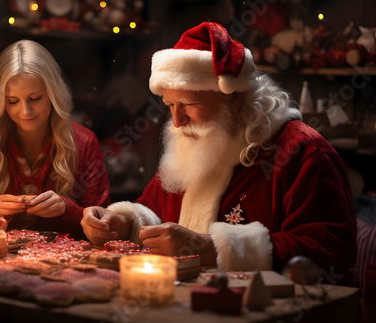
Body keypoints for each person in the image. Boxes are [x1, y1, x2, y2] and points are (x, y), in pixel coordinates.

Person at [81, 22, 357, 280]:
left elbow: (331, 252)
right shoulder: (192, 142)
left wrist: (213, 248)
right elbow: (155, 210)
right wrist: (124, 224)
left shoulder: (303, 152)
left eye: (189, 104)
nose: (177, 122)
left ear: (234, 99)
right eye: (170, 106)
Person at [0, 40, 110, 239]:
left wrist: (67, 210)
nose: (25, 111)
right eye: (13, 101)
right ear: (1, 102)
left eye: (35, 98)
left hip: (66, 265)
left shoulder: (84, 142)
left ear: (53, 94)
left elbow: (104, 227)